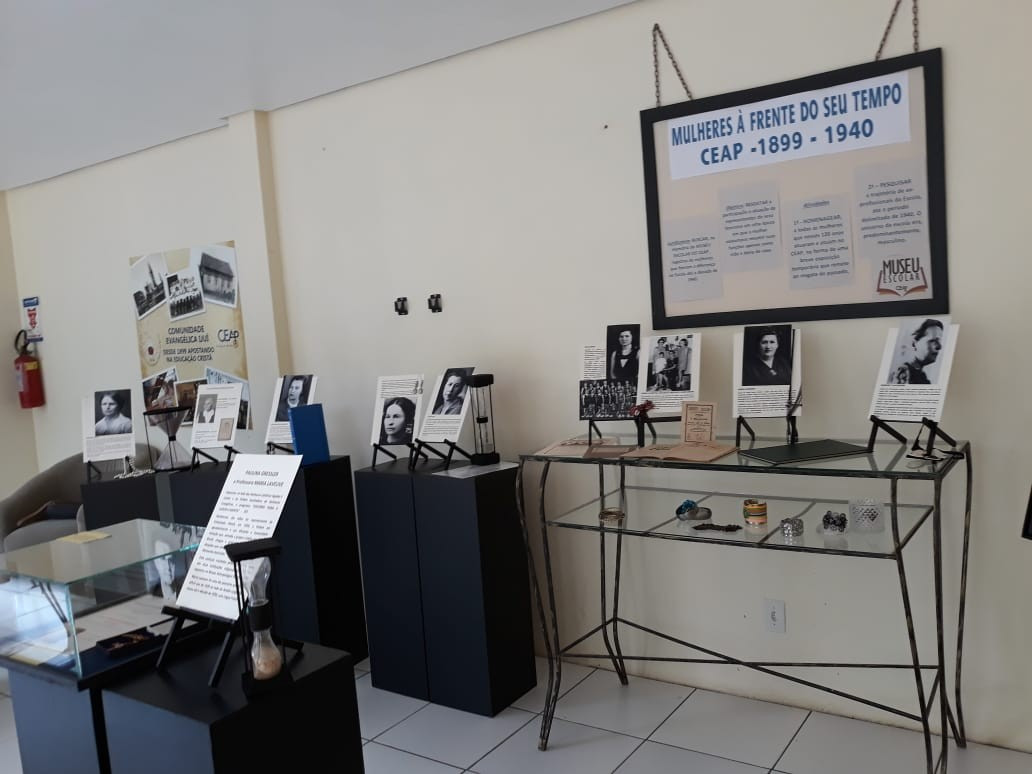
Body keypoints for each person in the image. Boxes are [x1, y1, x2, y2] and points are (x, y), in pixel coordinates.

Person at [889, 319, 944, 385]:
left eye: (939, 341)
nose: (939, 346)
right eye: (932, 340)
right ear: (914, 344)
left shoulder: (921, 376)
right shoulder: (904, 374)